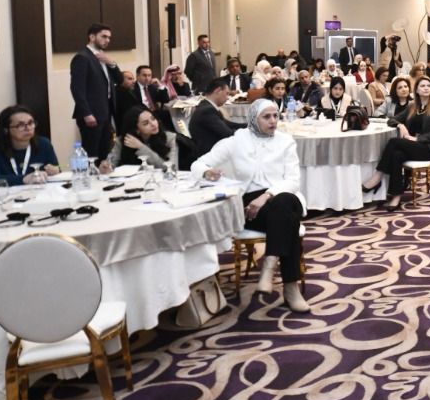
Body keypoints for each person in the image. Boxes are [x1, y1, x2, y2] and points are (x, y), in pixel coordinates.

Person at [195, 99, 308, 311]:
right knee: (288, 219)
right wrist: (207, 172)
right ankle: (290, 289)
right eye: (267, 117)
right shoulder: (237, 140)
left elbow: (293, 181)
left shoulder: (285, 141)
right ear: (254, 119)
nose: (273, 121)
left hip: (279, 196)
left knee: (284, 202)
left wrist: (266, 196)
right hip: (249, 208)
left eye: (275, 116)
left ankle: (270, 264)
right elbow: (198, 163)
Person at [363, 74, 430, 208]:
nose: (426, 88)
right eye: (422, 86)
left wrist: (417, 138)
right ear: (417, 90)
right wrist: (400, 125)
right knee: (396, 155)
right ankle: (396, 197)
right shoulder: (412, 106)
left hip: (428, 149)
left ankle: (378, 176)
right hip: (414, 146)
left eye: (428, 86)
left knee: (394, 142)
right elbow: (391, 120)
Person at [69, 23, 119, 160]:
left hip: (106, 112)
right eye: (104, 36)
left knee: (104, 153)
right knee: (92, 154)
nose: (107, 40)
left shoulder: (103, 57)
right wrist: (86, 113)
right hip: (92, 114)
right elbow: (77, 88)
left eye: (109, 37)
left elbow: (120, 80)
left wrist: (111, 63)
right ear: (92, 37)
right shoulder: (82, 57)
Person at [0, 105, 61, 186]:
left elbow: (56, 169)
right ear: (6, 130)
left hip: (40, 192)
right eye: (21, 125)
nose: (28, 128)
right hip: (7, 193)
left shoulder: (44, 144)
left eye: (30, 123)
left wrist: (55, 170)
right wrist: (23, 179)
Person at [109, 107, 180, 171]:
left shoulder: (170, 138)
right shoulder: (123, 141)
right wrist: (107, 167)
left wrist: (141, 147)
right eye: (146, 123)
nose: (153, 124)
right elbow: (111, 165)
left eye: (153, 119)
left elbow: (172, 168)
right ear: (136, 130)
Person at [189, 78, 241, 156]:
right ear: (218, 90)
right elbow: (227, 133)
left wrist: (249, 126)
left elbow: (227, 124)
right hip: (209, 153)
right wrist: (247, 133)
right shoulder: (207, 111)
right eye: (227, 93)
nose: (227, 98)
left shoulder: (205, 105)